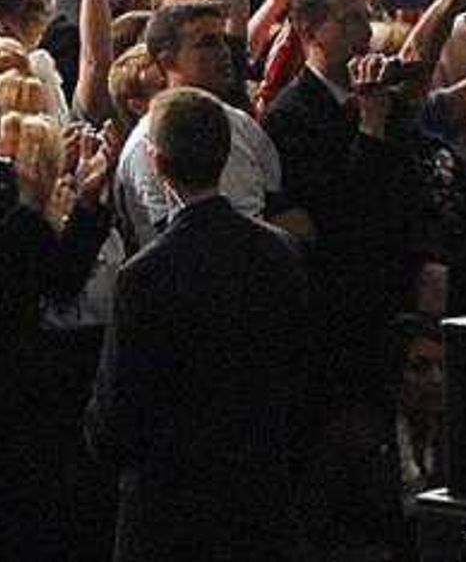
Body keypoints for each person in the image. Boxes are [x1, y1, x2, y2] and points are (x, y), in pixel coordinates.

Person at [87, 87, 313, 562]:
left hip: (169, 505)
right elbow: (298, 368)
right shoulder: (278, 251)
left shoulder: (145, 275)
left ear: (158, 163)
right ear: (227, 151)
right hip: (259, 491)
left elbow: (116, 411)